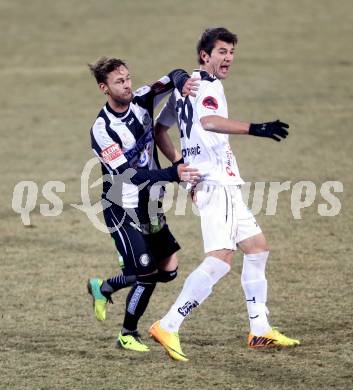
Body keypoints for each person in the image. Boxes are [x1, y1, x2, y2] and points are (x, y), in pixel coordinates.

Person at [149, 27, 300, 361]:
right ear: (205, 55)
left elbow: (160, 129)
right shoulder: (207, 84)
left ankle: (260, 331)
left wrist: (180, 164)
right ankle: (168, 324)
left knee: (257, 249)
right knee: (220, 259)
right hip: (216, 183)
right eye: (221, 51)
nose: (228, 57)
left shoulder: (183, 85)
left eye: (231, 51)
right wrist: (256, 128)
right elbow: (210, 121)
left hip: (216, 182)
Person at [86, 57, 200, 352]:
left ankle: (106, 286)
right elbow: (128, 175)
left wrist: (182, 80)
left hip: (150, 204)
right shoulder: (102, 130)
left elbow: (172, 74)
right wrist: (172, 173)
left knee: (170, 270)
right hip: (121, 207)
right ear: (104, 88)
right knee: (147, 273)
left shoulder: (142, 98)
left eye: (127, 78)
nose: (126, 86)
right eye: (118, 82)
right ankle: (127, 334)